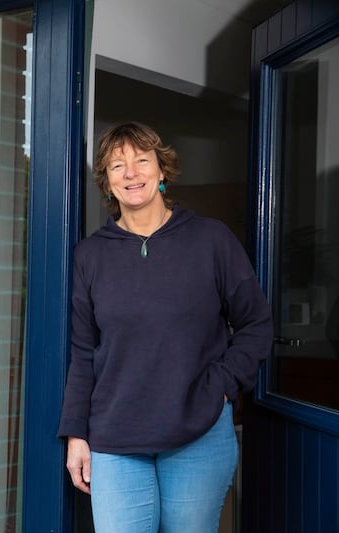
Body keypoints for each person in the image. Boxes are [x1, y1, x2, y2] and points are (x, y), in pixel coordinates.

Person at [58, 122, 274, 532]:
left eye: (141, 160)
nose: (131, 173)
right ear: (107, 181)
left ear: (161, 171)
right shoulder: (89, 256)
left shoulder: (211, 240)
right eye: (118, 165)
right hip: (115, 440)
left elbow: (256, 323)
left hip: (198, 436)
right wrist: (75, 434)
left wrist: (225, 383)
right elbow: (83, 351)